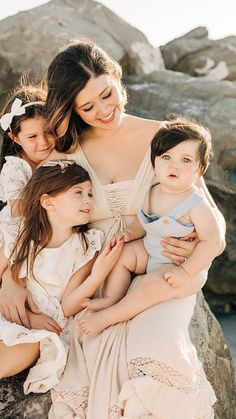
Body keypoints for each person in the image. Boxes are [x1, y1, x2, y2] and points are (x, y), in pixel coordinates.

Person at [0, 39, 224, 418]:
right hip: (91, 272)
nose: (104, 111)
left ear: (118, 78)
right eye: (87, 107)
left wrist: (194, 255)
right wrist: (11, 279)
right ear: (71, 109)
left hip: (157, 266)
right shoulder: (65, 153)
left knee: (154, 346)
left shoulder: (166, 138)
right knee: (85, 351)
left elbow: (210, 216)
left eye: (108, 95)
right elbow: (21, 220)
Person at [77, 117, 223, 336]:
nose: (174, 165)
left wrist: (186, 271)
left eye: (186, 160)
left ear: (200, 169)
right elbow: (141, 221)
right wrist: (129, 233)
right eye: (166, 157)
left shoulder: (195, 203)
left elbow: (212, 241)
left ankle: (111, 316)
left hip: (179, 265)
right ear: (154, 163)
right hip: (151, 250)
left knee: (152, 286)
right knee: (124, 255)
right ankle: (112, 298)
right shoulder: (153, 191)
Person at [0, 160, 123, 395]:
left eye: (89, 193)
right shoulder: (20, 234)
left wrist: (98, 275)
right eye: (78, 193)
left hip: (41, 325)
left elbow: (67, 305)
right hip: (7, 311)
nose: (88, 200)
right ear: (48, 202)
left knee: (33, 345)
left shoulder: (85, 246)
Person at [0, 84, 55, 279]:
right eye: (32, 137)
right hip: (15, 229)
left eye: (49, 131)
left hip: (40, 227)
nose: (44, 142)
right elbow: (17, 211)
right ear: (15, 138)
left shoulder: (54, 156)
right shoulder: (15, 168)